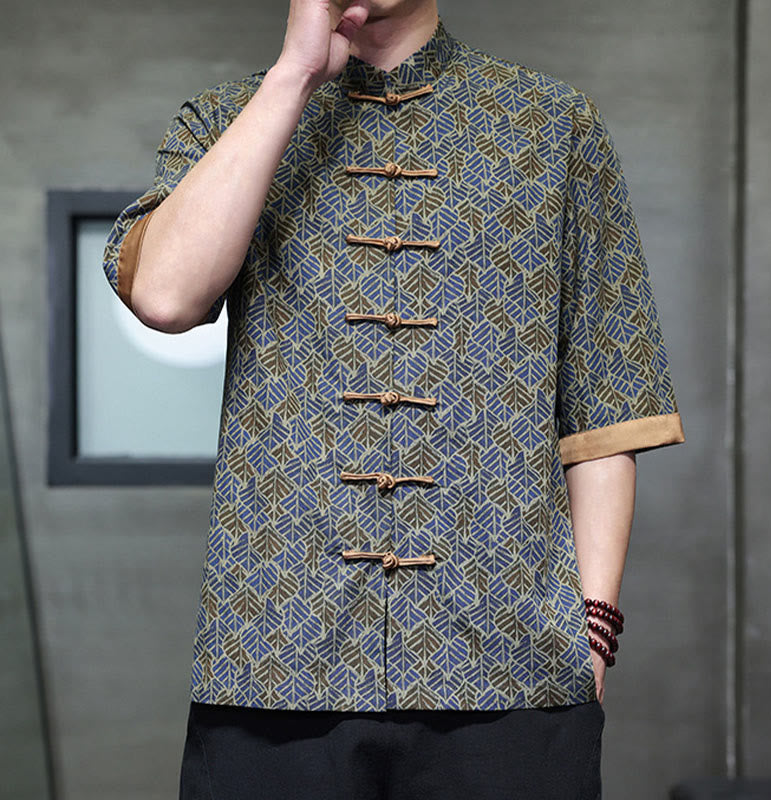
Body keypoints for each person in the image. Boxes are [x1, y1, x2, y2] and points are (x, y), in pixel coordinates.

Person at [102, 0, 686, 797]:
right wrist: (294, 76)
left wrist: (591, 633)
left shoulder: (554, 127)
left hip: (510, 672)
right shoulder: (226, 119)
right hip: (274, 662)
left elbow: (607, 406)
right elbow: (165, 296)